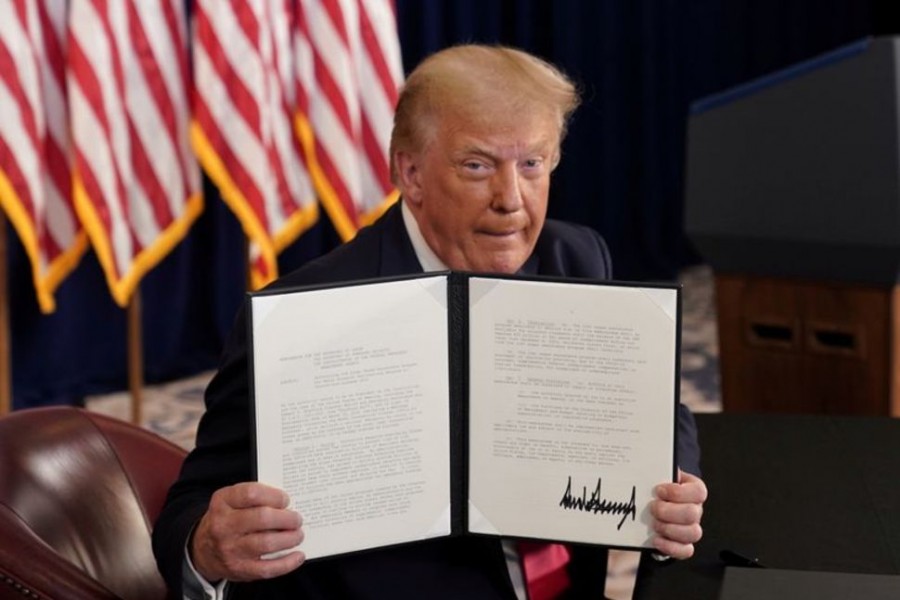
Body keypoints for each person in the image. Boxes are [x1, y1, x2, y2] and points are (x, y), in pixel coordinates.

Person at [153, 43, 707, 600]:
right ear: (411, 174)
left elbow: (655, 408)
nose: (511, 200)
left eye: (532, 164)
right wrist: (206, 548)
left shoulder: (576, 258)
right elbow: (191, 509)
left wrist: (674, 486)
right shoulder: (302, 317)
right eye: (478, 166)